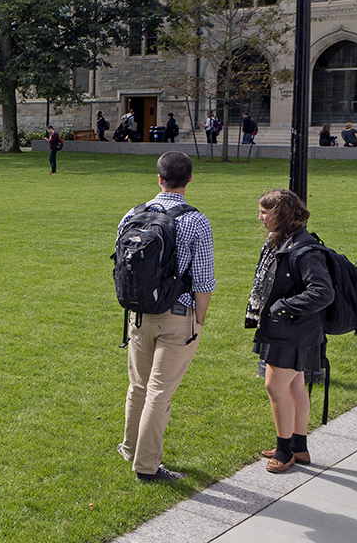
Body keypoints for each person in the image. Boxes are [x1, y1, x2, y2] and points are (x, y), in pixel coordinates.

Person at [117, 152, 215, 482]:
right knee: (159, 393)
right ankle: (146, 466)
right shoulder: (197, 221)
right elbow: (204, 280)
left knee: (138, 387)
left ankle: (131, 448)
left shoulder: (132, 214)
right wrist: (198, 321)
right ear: (189, 179)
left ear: (158, 178)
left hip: (138, 313)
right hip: (177, 315)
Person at [248, 189, 334, 474]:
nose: (260, 218)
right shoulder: (285, 241)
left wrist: (284, 307)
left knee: (275, 386)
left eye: (265, 212)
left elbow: (322, 292)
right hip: (297, 328)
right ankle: (299, 446)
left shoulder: (303, 249)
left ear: (281, 214)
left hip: (291, 329)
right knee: (295, 385)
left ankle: (285, 451)